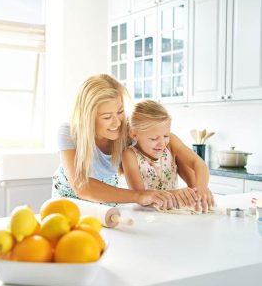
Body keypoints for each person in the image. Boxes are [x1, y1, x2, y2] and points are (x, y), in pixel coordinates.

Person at [52, 74, 196, 210]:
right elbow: (81, 186)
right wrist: (138, 196)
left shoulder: (128, 131)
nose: (117, 122)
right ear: (88, 117)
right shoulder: (68, 132)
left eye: (120, 112)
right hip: (68, 204)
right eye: (107, 117)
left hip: (107, 206)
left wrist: (194, 189)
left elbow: (172, 150)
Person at [121, 99, 215, 212]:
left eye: (165, 135)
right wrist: (178, 193)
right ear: (134, 134)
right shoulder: (129, 155)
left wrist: (201, 188)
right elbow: (140, 194)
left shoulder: (171, 143)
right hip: (147, 214)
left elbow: (198, 163)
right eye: (154, 138)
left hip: (174, 209)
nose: (162, 143)